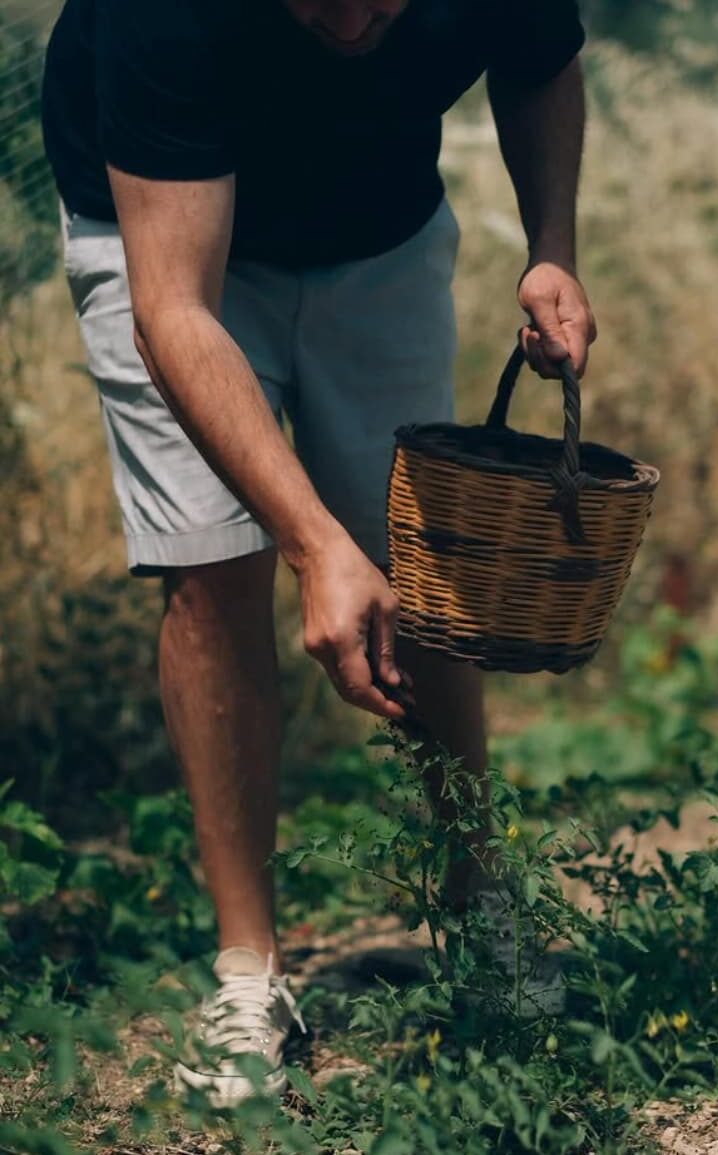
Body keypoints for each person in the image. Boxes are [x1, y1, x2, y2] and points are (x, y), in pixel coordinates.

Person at [41, 0, 597, 1107]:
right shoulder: (163, 17)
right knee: (212, 566)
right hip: (165, 245)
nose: (350, 21)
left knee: (419, 552)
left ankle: (477, 902)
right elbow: (175, 312)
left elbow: (541, 62)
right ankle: (246, 973)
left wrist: (551, 252)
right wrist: (309, 545)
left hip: (376, 228)